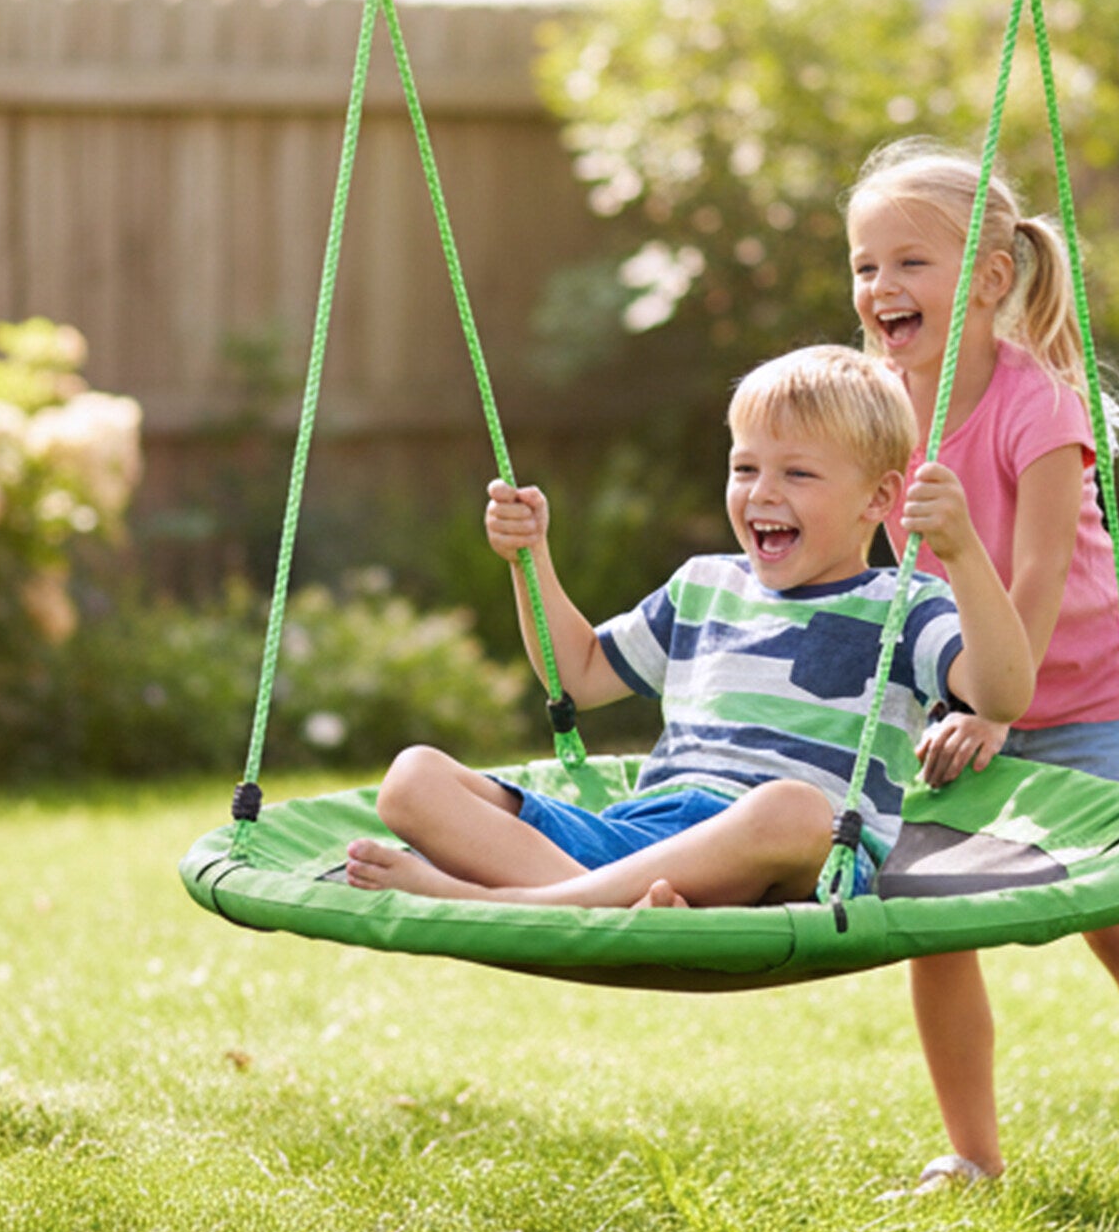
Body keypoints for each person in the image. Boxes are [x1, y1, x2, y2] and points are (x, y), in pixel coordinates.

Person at [846, 139, 1119, 1204]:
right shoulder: (880, 405)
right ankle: (971, 1157)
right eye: (862, 265)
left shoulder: (1039, 404)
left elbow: (1030, 581)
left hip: (1078, 685)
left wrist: (992, 706)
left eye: (908, 263)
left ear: (986, 279)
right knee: (930, 919)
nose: (879, 288)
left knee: (1114, 916)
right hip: (963, 685)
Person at [343, 344, 1038, 912]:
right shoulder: (704, 585)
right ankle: (587, 900)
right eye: (745, 468)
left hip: (791, 853)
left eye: (798, 473)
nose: (762, 492)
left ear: (879, 499)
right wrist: (531, 562)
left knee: (795, 810)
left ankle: (515, 903)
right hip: (643, 849)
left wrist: (961, 552)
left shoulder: (905, 603)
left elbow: (1002, 694)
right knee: (412, 779)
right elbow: (577, 675)